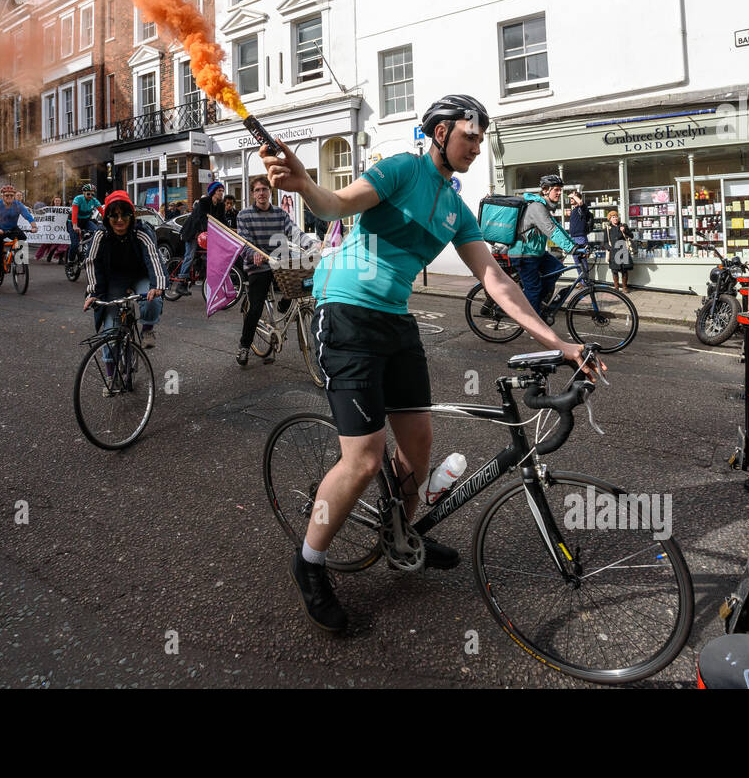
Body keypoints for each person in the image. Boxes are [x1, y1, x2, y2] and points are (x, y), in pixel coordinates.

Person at [262, 93, 597, 633]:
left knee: (418, 452)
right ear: (440, 133)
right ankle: (309, 561)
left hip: (395, 324)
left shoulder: (456, 208)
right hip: (346, 315)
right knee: (365, 460)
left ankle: (400, 531)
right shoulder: (400, 168)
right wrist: (303, 184)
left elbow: (497, 281)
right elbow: (334, 205)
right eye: (471, 135)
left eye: (482, 138)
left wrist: (559, 344)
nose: (477, 145)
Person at [235, 176, 318, 367]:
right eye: (257, 190)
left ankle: (283, 304)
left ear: (270, 192)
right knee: (255, 308)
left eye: (264, 189)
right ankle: (244, 346)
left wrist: (312, 244)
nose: (261, 193)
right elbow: (243, 241)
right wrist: (253, 254)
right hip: (258, 265)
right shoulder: (244, 215)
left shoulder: (280, 214)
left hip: (281, 264)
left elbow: (294, 232)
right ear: (252, 194)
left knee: (299, 287)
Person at [82, 191, 165, 351]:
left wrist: (157, 285)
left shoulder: (141, 232)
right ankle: (110, 375)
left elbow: (154, 258)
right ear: (107, 218)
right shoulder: (101, 235)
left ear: (131, 216)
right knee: (109, 333)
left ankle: (147, 330)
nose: (119, 220)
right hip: (115, 279)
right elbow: (92, 262)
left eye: (124, 215)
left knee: (152, 301)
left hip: (141, 275)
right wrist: (93, 293)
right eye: (114, 216)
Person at [509, 175, 578, 318]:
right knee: (533, 290)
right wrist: (572, 249)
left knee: (557, 268)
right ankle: (534, 323)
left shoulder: (543, 207)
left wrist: (575, 245)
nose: (559, 193)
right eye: (556, 190)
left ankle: (532, 302)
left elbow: (557, 227)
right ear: (545, 190)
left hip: (537, 253)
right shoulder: (537, 207)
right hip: (524, 254)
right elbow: (551, 230)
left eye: (560, 190)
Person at [175, 182, 225, 295]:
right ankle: (181, 283)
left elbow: (222, 221)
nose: (221, 193)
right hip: (193, 232)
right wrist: (207, 231)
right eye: (219, 191)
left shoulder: (221, 205)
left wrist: (229, 230)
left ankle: (202, 273)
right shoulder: (204, 202)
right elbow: (202, 219)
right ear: (213, 192)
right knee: (190, 255)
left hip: (205, 234)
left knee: (210, 255)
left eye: (222, 191)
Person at [0, 185, 37, 287]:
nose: (9, 197)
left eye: (11, 195)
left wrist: (34, 226)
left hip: (12, 228)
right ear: (2, 196)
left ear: (14, 196)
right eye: (7, 195)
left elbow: (28, 216)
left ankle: (20, 261)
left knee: (22, 238)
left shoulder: (18, 205)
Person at [69, 183, 102, 262]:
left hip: (86, 221)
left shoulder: (94, 201)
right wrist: (74, 225)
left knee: (98, 232)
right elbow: (74, 213)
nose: (90, 196)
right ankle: (70, 262)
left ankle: (88, 248)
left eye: (92, 194)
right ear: (83, 193)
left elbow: (103, 212)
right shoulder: (78, 199)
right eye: (88, 193)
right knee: (75, 244)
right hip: (73, 222)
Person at [605, 209, 634, 291]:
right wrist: (609, 248)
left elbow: (631, 236)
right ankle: (616, 288)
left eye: (616, 216)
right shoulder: (608, 228)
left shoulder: (623, 226)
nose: (615, 218)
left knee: (624, 270)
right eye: (613, 217)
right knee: (614, 270)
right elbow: (605, 241)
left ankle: (624, 287)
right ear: (610, 219)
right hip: (613, 252)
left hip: (623, 251)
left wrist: (624, 231)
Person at [35, 196, 67, 262]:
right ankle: (50, 254)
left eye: (59, 201)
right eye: (56, 201)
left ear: (61, 202)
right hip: (52, 229)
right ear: (54, 201)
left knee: (63, 242)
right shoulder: (49, 209)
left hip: (61, 229)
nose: (57, 202)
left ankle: (60, 259)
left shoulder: (64, 209)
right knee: (50, 243)